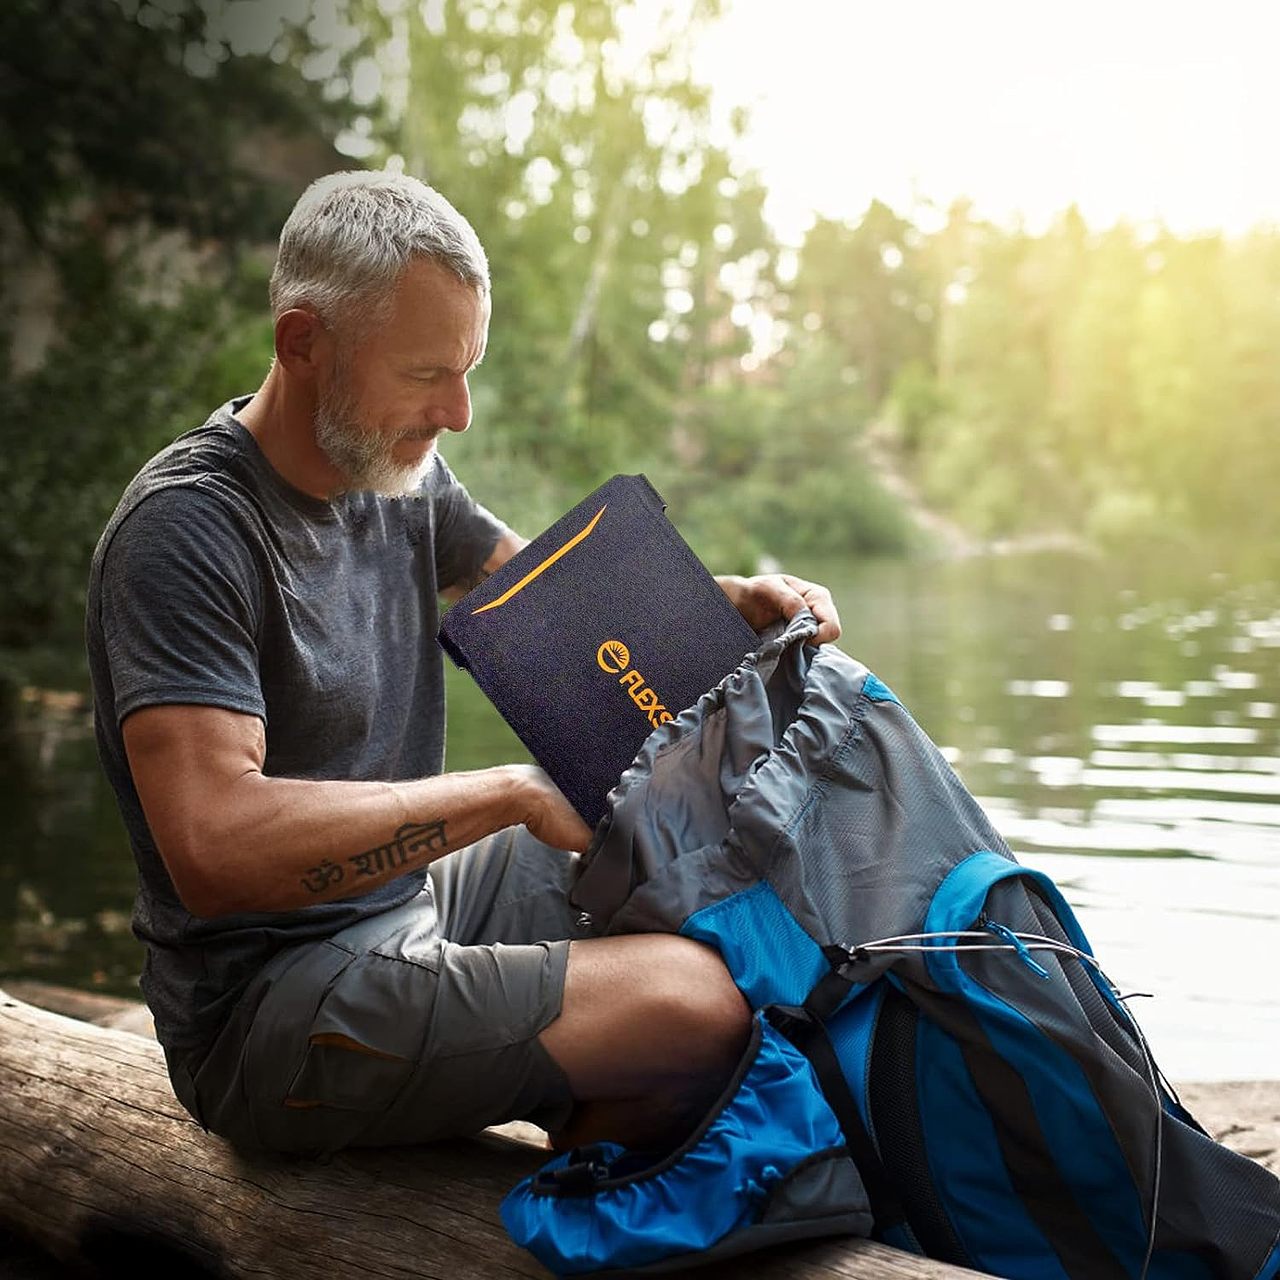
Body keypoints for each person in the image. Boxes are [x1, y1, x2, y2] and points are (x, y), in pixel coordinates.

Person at [85, 170, 842, 1158]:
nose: (458, 411)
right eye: (424, 373)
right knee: (696, 1003)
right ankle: (529, 1184)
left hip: (412, 906)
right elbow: (214, 845)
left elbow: (546, 606)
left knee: (681, 870)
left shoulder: (394, 472)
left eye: (467, 368)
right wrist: (508, 793)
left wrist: (724, 599)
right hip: (262, 1013)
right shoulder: (187, 530)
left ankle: (561, 1132)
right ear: (301, 341)